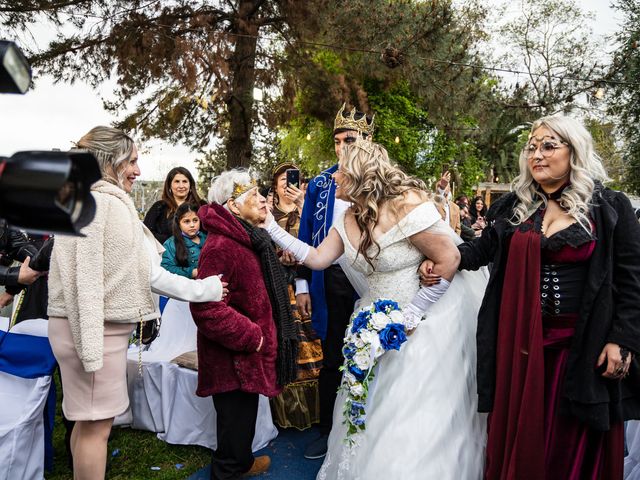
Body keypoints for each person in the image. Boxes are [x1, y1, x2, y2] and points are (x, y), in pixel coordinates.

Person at [422, 114, 640, 479]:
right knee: (526, 438)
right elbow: (477, 252)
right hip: (522, 346)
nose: (537, 154)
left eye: (549, 145)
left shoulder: (610, 208)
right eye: (532, 147)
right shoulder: (514, 207)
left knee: (570, 443)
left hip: (582, 347)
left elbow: (632, 280)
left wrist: (622, 339)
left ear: (574, 151)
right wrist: (440, 257)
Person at [264, 139, 487, 478]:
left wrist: (411, 315)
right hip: (369, 324)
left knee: (404, 411)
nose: (334, 177)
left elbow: (450, 258)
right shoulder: (347, 218)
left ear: (359, 175)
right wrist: (271, 227)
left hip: (421, 323)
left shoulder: (405, 204)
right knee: (367, 403)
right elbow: (316, 258)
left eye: (340, 171)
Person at [47, 126, 226, 480]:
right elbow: (150, 274)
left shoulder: (83, 198)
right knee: (98, 429)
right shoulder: (106, 204)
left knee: (86, 424)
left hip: (79, 326)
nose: (138, 171)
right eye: (132, 161)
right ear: (110, 161)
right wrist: (208, 289)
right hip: (93, 330)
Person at [190, 169, 299, 479]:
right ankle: (229, 470)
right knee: (234, 422)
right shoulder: (221, 246)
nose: (263, 199)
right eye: (253, 195)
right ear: (233, 206)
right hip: (232, 359)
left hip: (244, 358)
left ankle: (241, 462)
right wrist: (253, 337)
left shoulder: (248, 237)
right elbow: (207, 308)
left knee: (242, 421)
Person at [295, 104, 372, 459]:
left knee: (373, 352)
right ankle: (328, 432)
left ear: (367, 140)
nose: (342, 146)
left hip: (372, 281)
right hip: (332, 282)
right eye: (337, 140)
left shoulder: (380, 181)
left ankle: (369, 429)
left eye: (350, 139)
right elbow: (308, 234)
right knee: (332, 358)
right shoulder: (323, 184)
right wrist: (302, 285)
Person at [269, 162, 323, 430]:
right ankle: (287, 413)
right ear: (275, 184)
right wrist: (279, 257)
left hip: (306, 283)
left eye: (292, 178)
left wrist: (303, 205)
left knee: (312, 339)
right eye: (282, 179)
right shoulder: (267, 213)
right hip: (279, 284)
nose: (287, 183)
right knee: (286, 343)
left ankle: (316, 410)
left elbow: (318, 243)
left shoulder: (309, 210)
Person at [143, 166, 204, 244]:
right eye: (177, 181)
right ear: (169, 185)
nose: (181, 186)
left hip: (196, 254)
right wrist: (171, 242)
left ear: (190, 184)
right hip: (165, 253)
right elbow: (146, 232)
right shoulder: (159, 207)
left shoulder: (201, 206)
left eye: (185, 181)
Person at [161, 203, 206, 278]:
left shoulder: (207, 238)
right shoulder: (171, 244)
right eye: (187, 221)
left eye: (195, 220)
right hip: (186, 286)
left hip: (210, 283)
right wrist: (192, 272)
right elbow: (166, 267)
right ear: (178, 223)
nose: (192, 225)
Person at [434, 171, 462, 235]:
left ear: (449, 188)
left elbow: (458, 228)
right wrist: (442, 187)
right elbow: (438, 198)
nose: (444, 186)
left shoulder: (456, 207)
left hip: (451, 240)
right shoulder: (434, 204)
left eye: (446, 185)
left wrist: (456, 242)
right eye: (439, 186)